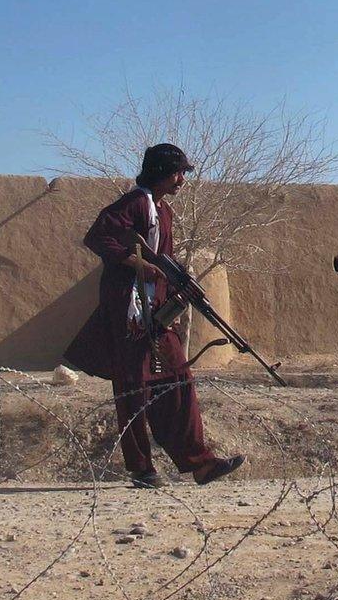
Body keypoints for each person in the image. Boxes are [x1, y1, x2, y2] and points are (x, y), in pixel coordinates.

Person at [63, 142, 244, 489]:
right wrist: (138, 265)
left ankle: (199, 462)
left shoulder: (164, 213)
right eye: (177, 172)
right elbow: (98, 237)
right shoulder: (133, 204)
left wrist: (179, 289)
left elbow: (166, 260)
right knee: (132, 389)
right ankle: (142, 469)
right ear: (160, 171)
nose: (181, 180)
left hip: (157, 313)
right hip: (129, 314)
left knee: (178, 379)